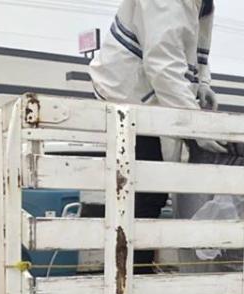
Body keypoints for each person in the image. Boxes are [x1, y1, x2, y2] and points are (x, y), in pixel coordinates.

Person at [88, 0, 223, 273]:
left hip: (143, 89)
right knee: (144, 191)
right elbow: (163, 65)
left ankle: (133, 274)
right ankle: (129, 279)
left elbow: (195, 44)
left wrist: (203, 82)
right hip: (128, 92)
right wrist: (196, 125)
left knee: (144, 190)